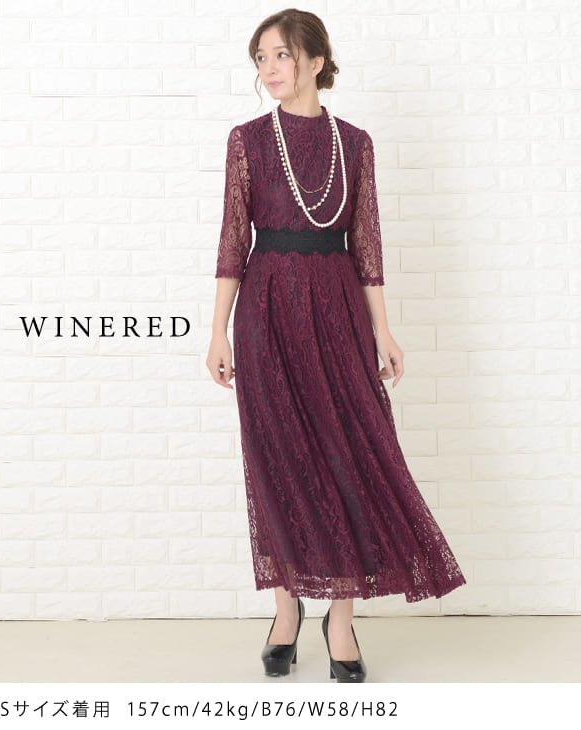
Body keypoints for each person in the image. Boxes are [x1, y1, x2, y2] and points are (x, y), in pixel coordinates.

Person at [206, 8, 466, 683]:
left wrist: (383, 329)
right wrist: (217, 330)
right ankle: (285, 609)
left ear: (316, 61)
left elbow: (367, 243)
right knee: (278, 460)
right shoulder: (247, 141)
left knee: (350, 456)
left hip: (339, 309)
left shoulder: (355, 143)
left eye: (281, 55)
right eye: (260, 58)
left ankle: (341, 619)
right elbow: (232, 240)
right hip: (266, 312)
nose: (269, 69)